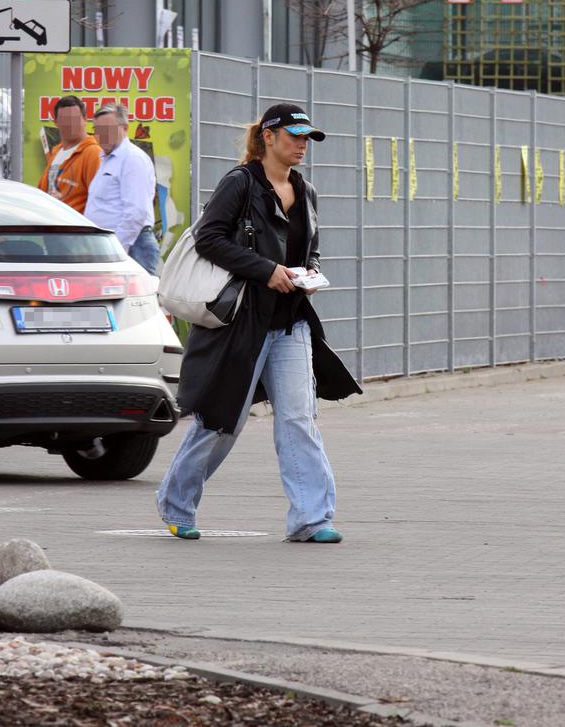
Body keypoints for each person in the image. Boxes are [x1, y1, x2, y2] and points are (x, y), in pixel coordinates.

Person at [156, 102, 362, 543]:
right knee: (221, 421)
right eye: (294, 136)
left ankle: (312, 519)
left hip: (290, 322)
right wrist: (265, 269)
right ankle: (176, 503)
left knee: (298, 419)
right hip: (242, 323)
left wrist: (307, 275)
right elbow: (209, 239)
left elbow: (310, 250)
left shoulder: (305, 190)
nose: (301, 145)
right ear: (268, 137)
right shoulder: (239, 184)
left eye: (307, 138)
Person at [84, 104, 160, 274]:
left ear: (124, 128)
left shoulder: (133, 159)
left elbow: (136, 213)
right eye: (97, 129)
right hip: (111, 246)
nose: (100, 135)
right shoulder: (107, 159)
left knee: (136, 301)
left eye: (107, 129)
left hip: (131, 247)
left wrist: (116, 249)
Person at [37, 95, 102, 213]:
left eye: (75, 119)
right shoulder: (56, 152)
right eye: (65, 120)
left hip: (75, 228)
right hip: (52, 225)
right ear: (55, 122)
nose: (70, 124)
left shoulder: (93, 152)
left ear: (85, 119)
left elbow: (99, 200)